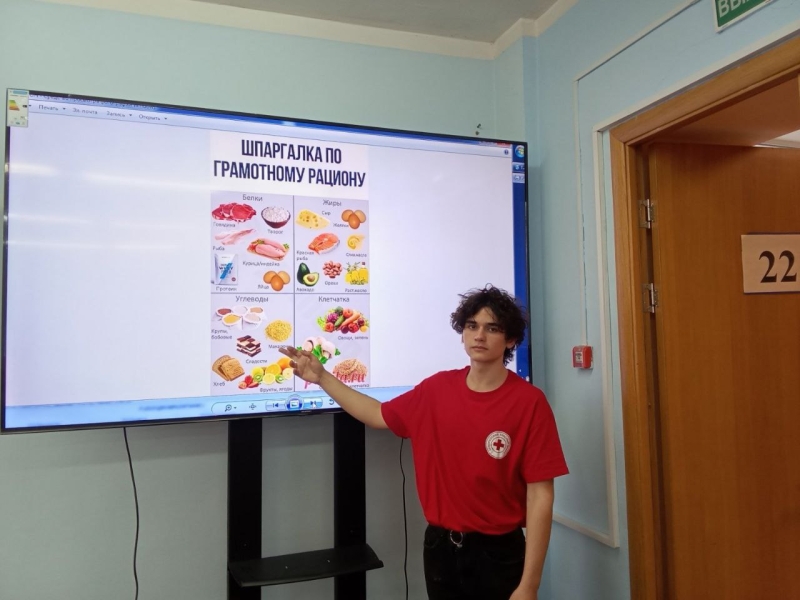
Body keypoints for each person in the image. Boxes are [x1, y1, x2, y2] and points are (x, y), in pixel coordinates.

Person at [279, 285, 568, 600]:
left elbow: (541, 496)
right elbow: (376, 414)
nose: (479, 336)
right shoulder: (436, 389)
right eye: (472, 326)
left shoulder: (529, 402)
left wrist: (529, 585)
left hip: (499, 554)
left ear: (510, 339)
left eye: (492, 328)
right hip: (440, 548)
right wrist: (322, 377)